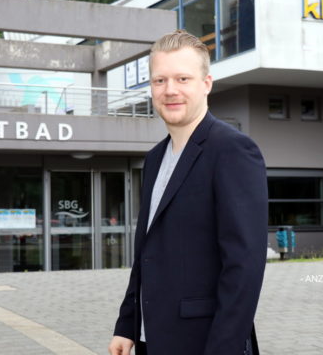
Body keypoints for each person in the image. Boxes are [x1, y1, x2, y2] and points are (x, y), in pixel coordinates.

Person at [108, 29, 268, 355]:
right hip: (151, 339)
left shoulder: (232, 150)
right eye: (159, 81)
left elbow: (244, 268)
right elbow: (146, 255)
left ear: (206, 84)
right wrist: (127, 325)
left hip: (204, 342)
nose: (170, 91)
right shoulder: (154, 158)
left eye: (183, 79)